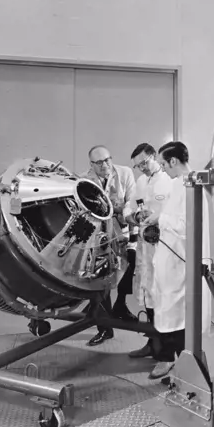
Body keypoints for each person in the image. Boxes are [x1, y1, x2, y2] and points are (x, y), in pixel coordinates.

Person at [141, 140, 212, 380]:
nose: (163, 168)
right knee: (169, 311)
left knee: (180, 318)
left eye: (164, 163)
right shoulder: (180, 184)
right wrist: (156, 216)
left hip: (180, 263)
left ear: (173, 161)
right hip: (169, 260)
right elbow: (173, 214)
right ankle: (175, 365)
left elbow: (186, 225)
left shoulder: (191, 185)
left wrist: (160, 221)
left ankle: (188, 373)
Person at [82, 145, 137, 346]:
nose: (105, 165)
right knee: (100, 275)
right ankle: (105, 328)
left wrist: (120, 212)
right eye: (99, 162)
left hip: (123, 228)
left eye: (107, 160)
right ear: (91, 165)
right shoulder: (84, 181)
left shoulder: (125, 173)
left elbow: (131, 201)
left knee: (130, 262)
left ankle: (121, 305)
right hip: (97, 236)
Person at [126, 143, 173, 359]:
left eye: (144, 163)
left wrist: (157, 220)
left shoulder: (169, 182)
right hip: (145, 246)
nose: (142, 168)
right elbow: (130, 206)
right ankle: (152, 343)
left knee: (162, 299)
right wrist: (133, 216)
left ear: (154, 156)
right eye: (138, 166)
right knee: (147, 295)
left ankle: (165, 353)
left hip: (163, 247)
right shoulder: (141, 181)